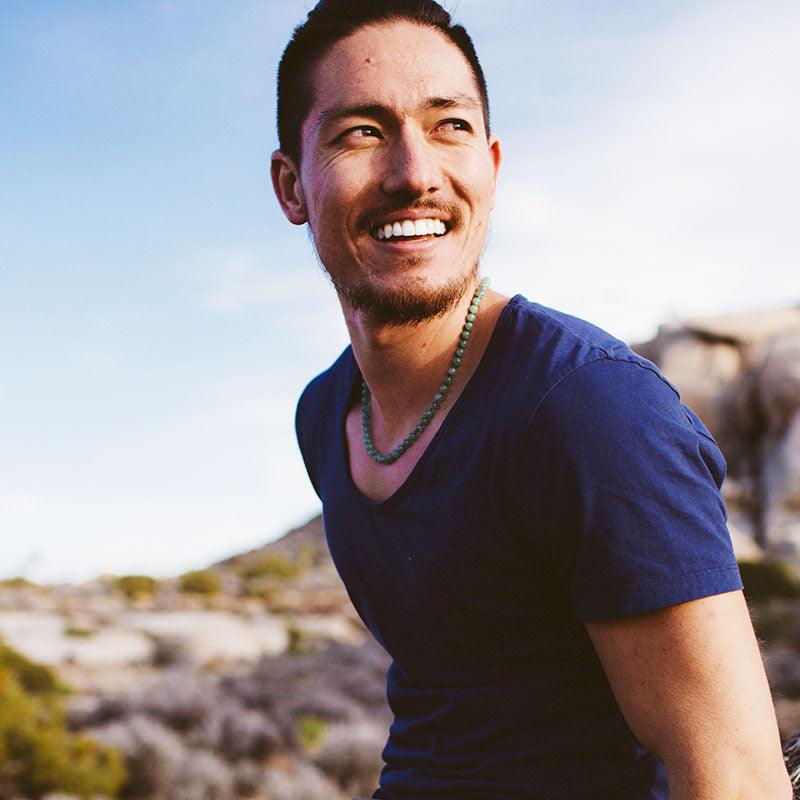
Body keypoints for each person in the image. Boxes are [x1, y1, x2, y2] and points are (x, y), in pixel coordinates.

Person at [270, 1, 792, 798]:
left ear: (492, 163)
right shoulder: (325, 416)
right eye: (361, 133)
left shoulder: (589, 413)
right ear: (291, 185)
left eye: (449, 126)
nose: (415, 171)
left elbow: (734, 778)